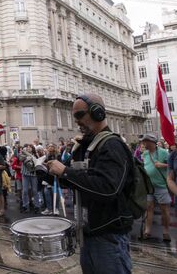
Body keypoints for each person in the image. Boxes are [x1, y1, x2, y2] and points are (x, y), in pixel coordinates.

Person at [47, 94, 134, 274]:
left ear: (97, 113)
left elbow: (108, 189)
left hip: (109, 236)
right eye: (75, 117)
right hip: (89, 233)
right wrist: (50, 174)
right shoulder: (87, 145)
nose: (77, 121)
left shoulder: (112, 145)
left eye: (80, 115)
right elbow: (80, 181)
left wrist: (65, 172)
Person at [140, 133, 171, 242]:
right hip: (148, 186)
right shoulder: (145, 154)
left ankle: (166, 231)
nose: (143, 143)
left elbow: (172, 167)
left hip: (161, 185)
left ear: (152, 142)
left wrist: (162, 165)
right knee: (149, 209)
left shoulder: (163, 153)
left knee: (164, 210)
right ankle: (147, 231)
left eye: (145, 141)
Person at [19, 144, 39, 213]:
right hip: (25, 174)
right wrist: (26, 154)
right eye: (27, 147)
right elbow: (20, 159)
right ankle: (25, 206)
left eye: (30, 147)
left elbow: (37, 162)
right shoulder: (23, 154)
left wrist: (31, 157)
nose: (28, 148)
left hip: (33, 175)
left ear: (32, 148)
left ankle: (37, 206)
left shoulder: (35, 155)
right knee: (25, 191)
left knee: (34, 190)